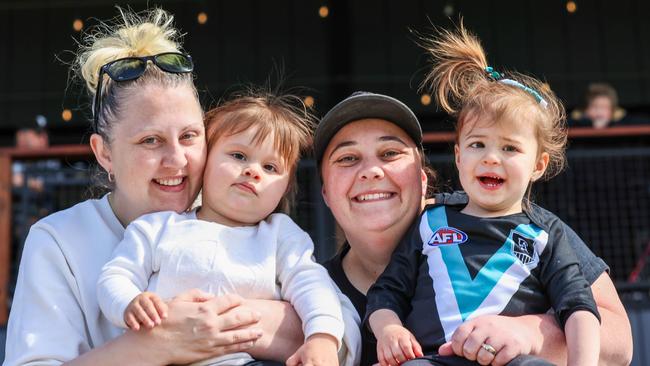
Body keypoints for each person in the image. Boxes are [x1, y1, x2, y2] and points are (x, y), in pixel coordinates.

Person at [3, 8, 308, 365]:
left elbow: (336, 332)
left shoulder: (240, 217)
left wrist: (213, 324)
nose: (177, 159)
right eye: (151, 140)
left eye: (190, 136)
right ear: (104, 154)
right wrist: (156, 343)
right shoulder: (59, 241)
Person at [316, 90, 632, 365]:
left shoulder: (532, 226)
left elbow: (619, 342)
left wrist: (531, 332)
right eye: (347, 158)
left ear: (423, 180)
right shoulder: (305, 287)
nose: (371, 171)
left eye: (389, 153)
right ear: (325, 193)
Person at [366, 25, 600, 366]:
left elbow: (579, 309)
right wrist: (389, 331)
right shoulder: (429, 222)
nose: (491, 157)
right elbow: (386, 293)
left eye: (510, 147)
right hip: (432, 359)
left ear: (538, 164)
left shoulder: (546, 234)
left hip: (514, 361)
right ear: (459, 157)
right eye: (478, 144)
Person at [96, 90, 344, 366]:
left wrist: (323, 337)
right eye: (238, 155)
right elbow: (116, 275)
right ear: (206, 160)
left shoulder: (280, 236)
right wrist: (129, 302)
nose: (253, 171)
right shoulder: (158, 227)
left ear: (285, 188)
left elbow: (313, 285)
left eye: (271, 167)